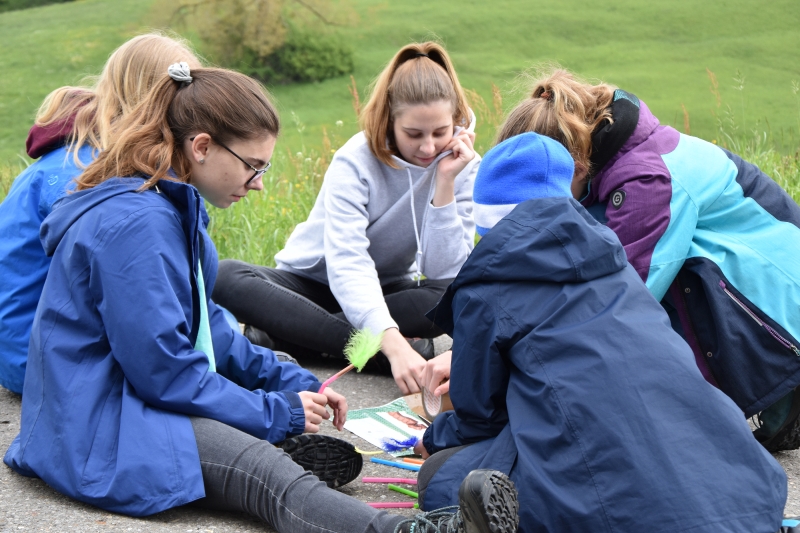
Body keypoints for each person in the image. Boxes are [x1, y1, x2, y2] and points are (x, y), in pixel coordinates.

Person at [3, 62, 518, 533]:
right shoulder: (138, 225)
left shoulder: (167, 201)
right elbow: (166, 373)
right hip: (100, 428)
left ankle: (263, 442)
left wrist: (287, 380)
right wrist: (278, 412)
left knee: (264, 418)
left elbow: (209, 329)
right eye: (254, 166)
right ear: (202, 147)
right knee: (268, 477)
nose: (259, 185)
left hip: (123, 404)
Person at [414, 132, 787, 533]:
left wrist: (433, 439)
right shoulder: (615, 260)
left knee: (438, 477)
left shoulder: (485, 284)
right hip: (747, 499)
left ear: (488, 219)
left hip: (616, 505)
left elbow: (478, 418)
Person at [489, 67, 800, 452]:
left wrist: (510, 363)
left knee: (615, 323)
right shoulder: (606, 163)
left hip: (781, 328)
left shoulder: (647, 184)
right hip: (762, 304)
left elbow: (618, 302)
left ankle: (767, 397)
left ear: (577, 169)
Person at [212, 41, 479, 394]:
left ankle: (289, 336)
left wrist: (444, 184)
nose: (428, 147)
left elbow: (446, 271)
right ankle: (375, 349)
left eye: (440, 132)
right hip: (311, 287)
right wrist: (394, 344)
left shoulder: (461, 164)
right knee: (224, 275)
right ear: (389, 121)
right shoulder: (355, 160)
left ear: (456, 122)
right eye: (413, 134)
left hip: (386, 290)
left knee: (452, 297)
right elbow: (348, 262)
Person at [0, 32, 202, 394]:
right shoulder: (91, 172)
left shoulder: (83, 154)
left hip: (23, 346)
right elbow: (131, 288)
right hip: (39, 360)